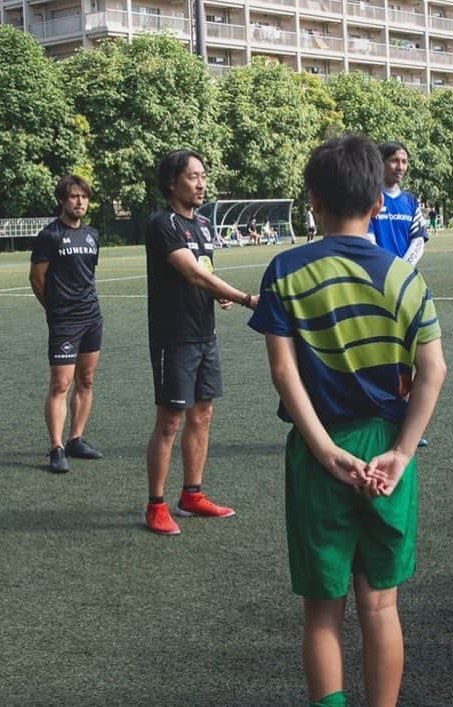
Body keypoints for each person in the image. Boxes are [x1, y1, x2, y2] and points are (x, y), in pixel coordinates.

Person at [249, 134, 446, 707]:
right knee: (380, 605)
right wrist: (404, 451)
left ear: (312, 199)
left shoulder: (285, 270)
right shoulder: (405, 277)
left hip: (319, 450)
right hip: (387, 446)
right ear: (380, 202)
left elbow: (284, 375)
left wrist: (323, 449)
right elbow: (434, 370)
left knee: (321, 610)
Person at [143, 149, 260, 536]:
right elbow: (192, 273)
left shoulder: (205, 224)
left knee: (203, 414)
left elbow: (206, 270)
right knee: (170, 421)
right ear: (172, 182)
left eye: (203, 175)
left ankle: (191, 494)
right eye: (193, 176)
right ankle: (156, 504)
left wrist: (219, 293)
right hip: (174, 337)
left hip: (204, 334)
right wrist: (243, 298)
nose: (201, 182)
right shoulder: (163, 224)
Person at [29, 175, 104, 474]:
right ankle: (56, 447)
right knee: (61, 384)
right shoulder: (49, 235)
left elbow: (88, 276)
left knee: (86, 380)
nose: (80, 202)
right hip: (64, 321)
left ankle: (76, 438)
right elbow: (37, 279)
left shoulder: (93, 235)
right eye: (74, 197)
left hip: (92, 317)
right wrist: (54, 309)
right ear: (62, 200)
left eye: (84, 197)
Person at [369, 141, 431, 448]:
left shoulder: (410, 202)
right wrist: (385, 273)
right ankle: (377, 415)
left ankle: (406, 419)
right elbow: (367, 242)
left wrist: (401, 271)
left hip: (404, 287)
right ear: (381, 163)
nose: (400, 166)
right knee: (379, 353)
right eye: (394, 160)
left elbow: (419, 240)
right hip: (375, 287)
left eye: (404, 161)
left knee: (407, 354)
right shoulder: (370, 199)